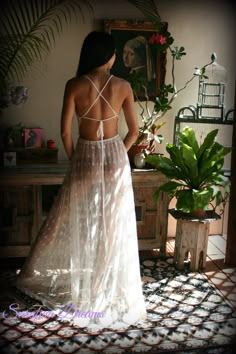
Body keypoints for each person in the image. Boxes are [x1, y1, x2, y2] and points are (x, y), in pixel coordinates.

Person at [16, 31, 147, 328]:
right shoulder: (123, 86)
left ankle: (30, 272)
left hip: (85, 156)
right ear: (110, 56)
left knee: (61, 216)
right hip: (115, 159)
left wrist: (78, 158)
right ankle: (99, 289)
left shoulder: (74, 85)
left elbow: (64, 132)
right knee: (111, 226)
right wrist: (115, 153)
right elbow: (133, 132)